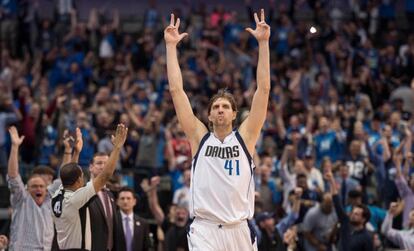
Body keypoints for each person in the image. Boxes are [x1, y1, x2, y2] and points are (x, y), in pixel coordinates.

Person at [164, 7, 270, 250]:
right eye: (216, 107)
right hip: (205, 228)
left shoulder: (246, 137)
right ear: (209, 115)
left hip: (239, 228)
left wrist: (263, 44)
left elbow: (263, 90)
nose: (220, 109)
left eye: (225, 106)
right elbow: (176, 91)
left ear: (234, 114)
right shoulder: (199, 137)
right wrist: (171, 48)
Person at [52, 124, 127, 250]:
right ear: (78, 180)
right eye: (81, 176)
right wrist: (117, 148)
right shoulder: (75, 199)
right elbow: (105, 176)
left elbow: (70, 170)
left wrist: (76, 153)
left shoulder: (57, 194)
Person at [7, 126, 54, 251]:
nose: (38, 189)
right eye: (34, 186)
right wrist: (15, 147)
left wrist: (70, 151)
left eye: (41, 186)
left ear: (46, 189)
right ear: (27, 189)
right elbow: (13, 177)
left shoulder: (50, 201)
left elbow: (64, 180)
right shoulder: (21, 199)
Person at [325, 169, 374, 251]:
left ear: (363, 219)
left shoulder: (366, 237)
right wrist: (331, 180)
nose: (353, 215)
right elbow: (337, 203)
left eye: (357, 214)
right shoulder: (345, 224)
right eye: (353, 213)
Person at [115, 186, 150, 251]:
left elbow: (146, 246)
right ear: (117, 202)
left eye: (128, 198)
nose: (125, 201)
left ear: (134, 201)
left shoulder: (143, 223)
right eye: (122, 198)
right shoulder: (112, 221)